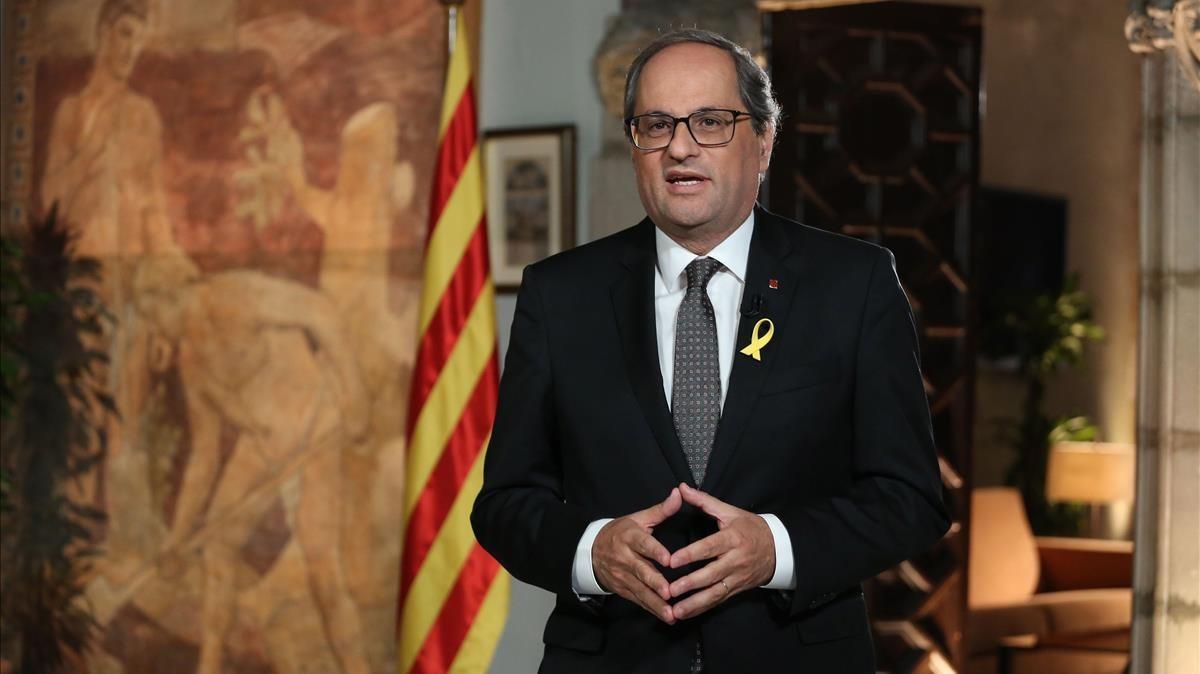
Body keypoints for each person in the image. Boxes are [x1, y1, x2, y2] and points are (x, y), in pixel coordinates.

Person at [471, 28, 950, 673]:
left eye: (711, 122)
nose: (681, 147)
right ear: (635, 144)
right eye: (657, 124)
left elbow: (911, 499)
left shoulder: (852, 285)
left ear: (764, 141)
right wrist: (590, 552)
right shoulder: (561, 295)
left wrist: (777, 550)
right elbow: (504, 503)